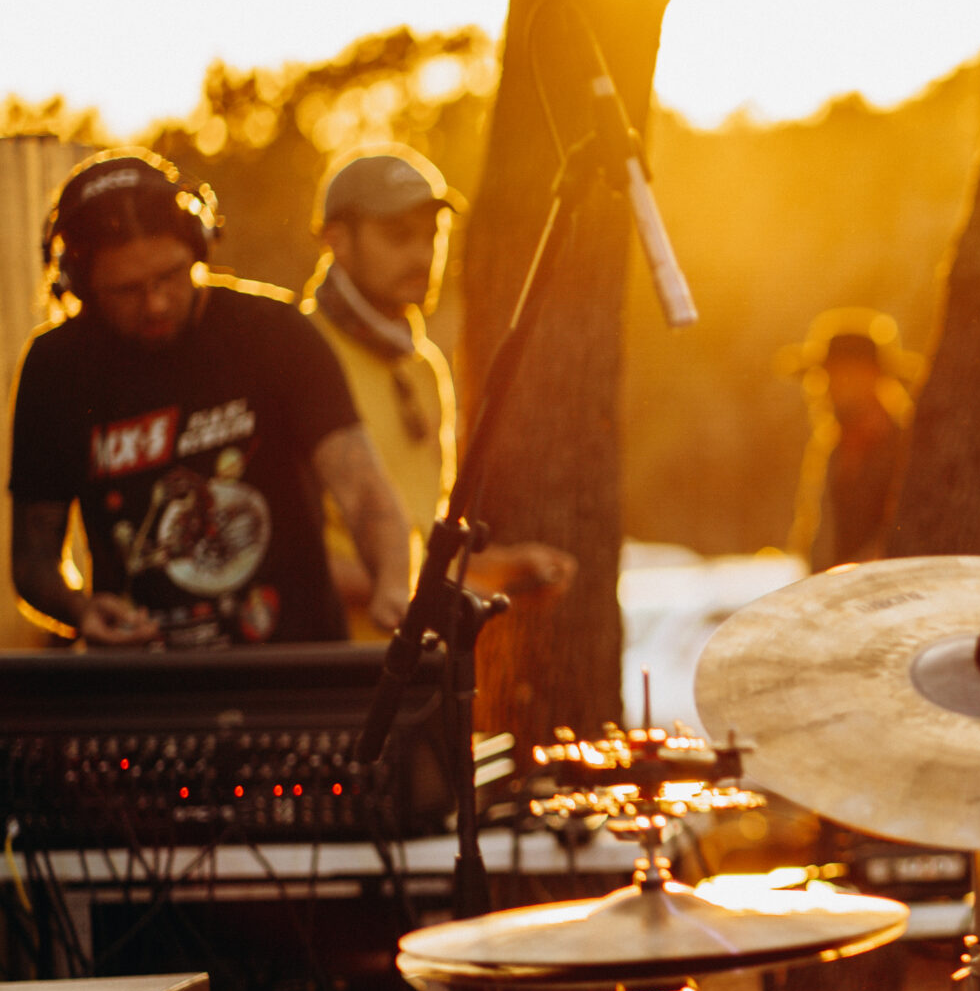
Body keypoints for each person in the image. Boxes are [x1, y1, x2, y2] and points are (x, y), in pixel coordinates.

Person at [11, 150, 409, 648]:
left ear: (198, 248)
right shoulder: (56, 369)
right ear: (78, 283)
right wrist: (80, 609)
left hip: (296, 671)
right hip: (146, 687)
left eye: (170, 277)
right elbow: (32, 559)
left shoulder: (275, 332)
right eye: (127, 290)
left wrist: (394, 589)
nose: (155, 303)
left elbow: (364, 490)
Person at [303, 147, 574, 640]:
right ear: (337, 240)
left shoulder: (424, 366)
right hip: (331, 668)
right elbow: (289, 554)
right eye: (397, 236)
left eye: (432, 235)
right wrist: (422, 589)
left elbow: (425, 538)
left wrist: (503, 569)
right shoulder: (299, 353)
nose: (423, 254)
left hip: (416, 667)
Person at [781, 307, 914, 569]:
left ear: (871, 377)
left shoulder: (905, 448)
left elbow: (902, 533)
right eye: (826, 376)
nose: (827, 387)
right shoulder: (836, 448)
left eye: (839, 375)